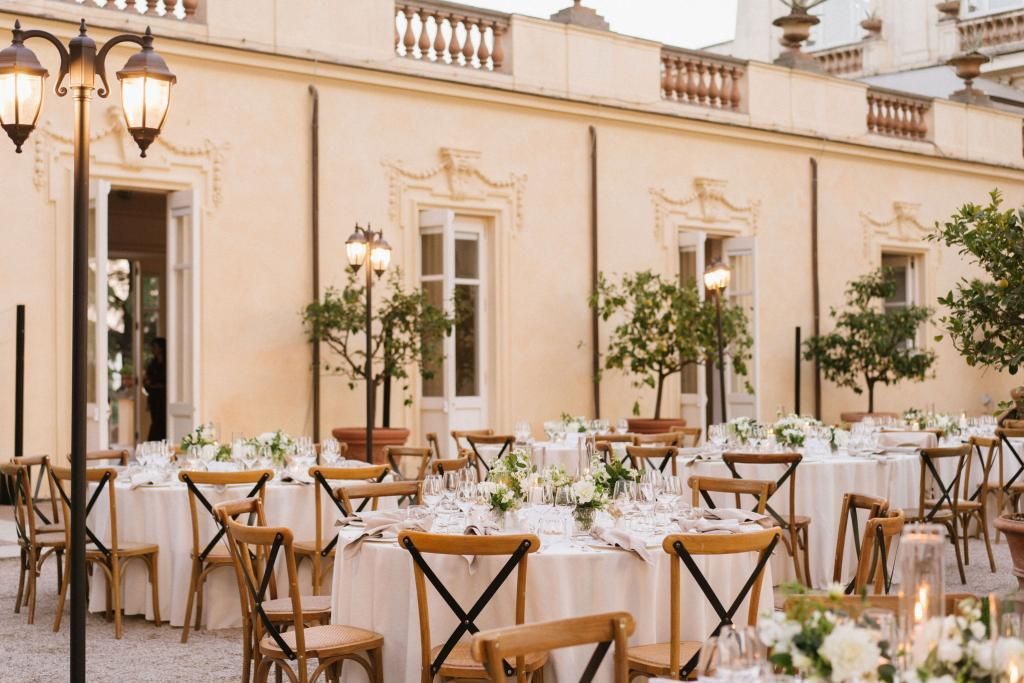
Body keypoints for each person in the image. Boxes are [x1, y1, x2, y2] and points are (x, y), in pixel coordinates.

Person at [144, 337, 167, 441]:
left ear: (161, 348)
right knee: (155, 422)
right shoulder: (152, 363)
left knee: (162, 421)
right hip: (154, 397)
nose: (152, 349)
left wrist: (158, 384)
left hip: (164, 397)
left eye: (154, 347)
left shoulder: (168, 363)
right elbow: (147, 380)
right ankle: (153, 445)